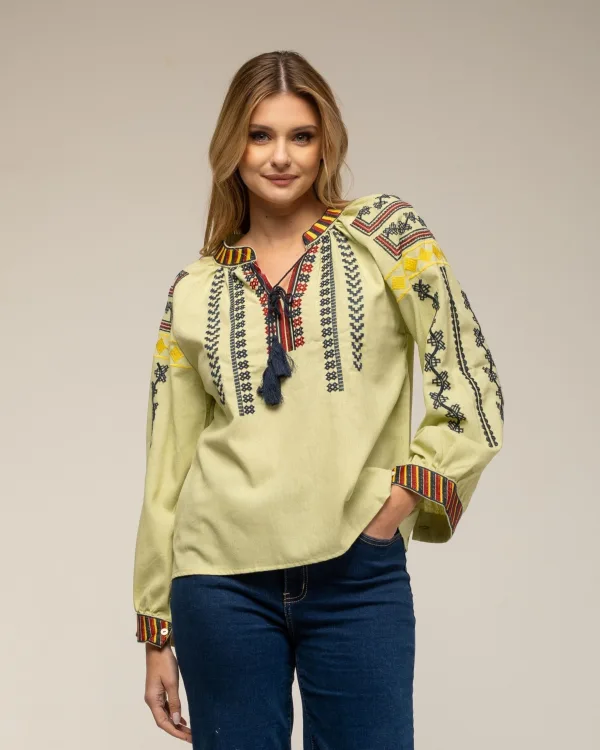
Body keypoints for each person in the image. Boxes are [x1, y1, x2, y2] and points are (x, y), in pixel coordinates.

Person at [132, 50, 504, 749]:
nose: (281, 156)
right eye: (260, 135)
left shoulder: (388, 236)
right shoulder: (195, 287)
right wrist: (156, 628)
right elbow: (167, 462)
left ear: (326, 142)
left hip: (356, 574)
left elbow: (469, 381)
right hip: (218, 581)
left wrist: (392, 509)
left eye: (300, 136)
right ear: (231, 146)